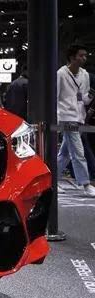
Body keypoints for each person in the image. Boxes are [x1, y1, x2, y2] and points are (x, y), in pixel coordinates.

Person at [57, 43, 95, 196]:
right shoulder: (61, 74)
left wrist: (90, 96)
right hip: (66, 117)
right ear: (72, 57)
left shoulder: (85, 75)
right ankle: (85, 184)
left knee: (65, 153)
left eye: (85, 55)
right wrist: (57, 117)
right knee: (78, 151)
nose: (84, 58)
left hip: (80, 117)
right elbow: (55, 96)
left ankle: (52, 179)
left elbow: (84, 99)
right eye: (81, 55)